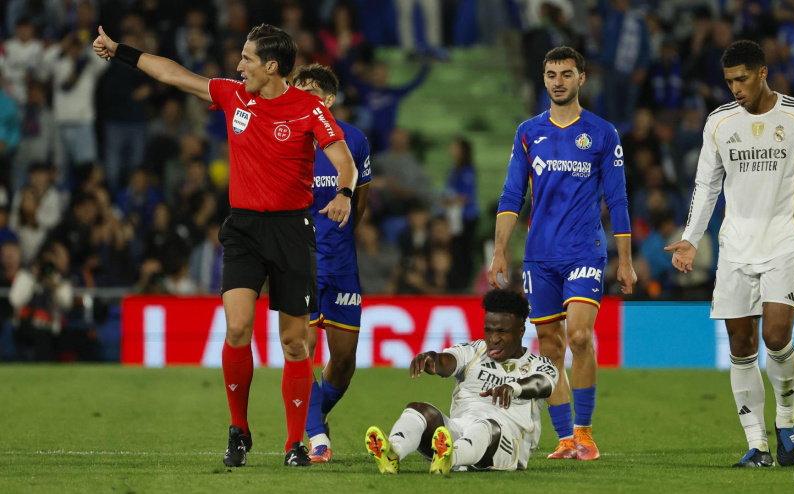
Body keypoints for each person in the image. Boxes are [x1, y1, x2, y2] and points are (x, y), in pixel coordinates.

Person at [93, 23, 359, 468]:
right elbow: (173, 75)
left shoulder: (309, 109)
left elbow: (343, 160)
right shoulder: (234, 95)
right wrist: (121, 51)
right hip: (243, 230)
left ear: (271, 67)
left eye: (247, 58)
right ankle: (239, 430)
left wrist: (344, 193)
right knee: (237, 329)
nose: (238, 66)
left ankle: (296, 442)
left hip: (292, 231)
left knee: (295, 344)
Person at [665, 40, 794, 468]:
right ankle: (757, 445)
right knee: (740, 344)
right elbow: (706, 186)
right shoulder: (720, 122)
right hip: (734, 247)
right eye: (729, 81)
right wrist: (691, 236)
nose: (735, 89)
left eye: (742, 79)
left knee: (776, 337)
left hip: (784, 241)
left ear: (763, 74)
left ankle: (785, 420)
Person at [488, 46, 637, 461]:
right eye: (551, 73)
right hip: (539, 256)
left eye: (566, 74)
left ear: (581, 79)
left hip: (584, 251)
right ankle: (566, 437)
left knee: (579, 335)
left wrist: (624, 260)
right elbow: (512, 195)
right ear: (544, 78)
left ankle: (586, 432)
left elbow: (618, 199)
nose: (558, 81)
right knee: (550, 347)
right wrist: (501, 251)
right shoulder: (528, 131)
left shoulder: (602, 133)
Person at [364, 289, 557, 474]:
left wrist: (513, 387)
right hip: (454, 436)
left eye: (501, 332)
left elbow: (542, 384)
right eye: (488, 330)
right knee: (418, 410)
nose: (493, 339)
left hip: (504, 443)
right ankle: (393, 453)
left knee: (484, 426)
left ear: (521, 331)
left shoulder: (538, 364)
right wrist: (431, 359)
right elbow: (445, 361)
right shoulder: (474, 351)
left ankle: (450, 458)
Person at [289, 63, 372, 463]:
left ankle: (312, 416)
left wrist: (339, 235)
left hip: (341, 266)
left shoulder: (353, 140)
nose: (301, 98)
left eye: (309, 92)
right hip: (299, 262)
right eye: (297, 90)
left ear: (328, 99)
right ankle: (317, 437)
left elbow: (361, 201)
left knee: (343, 360)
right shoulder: (287, 137)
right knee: (302, 350)